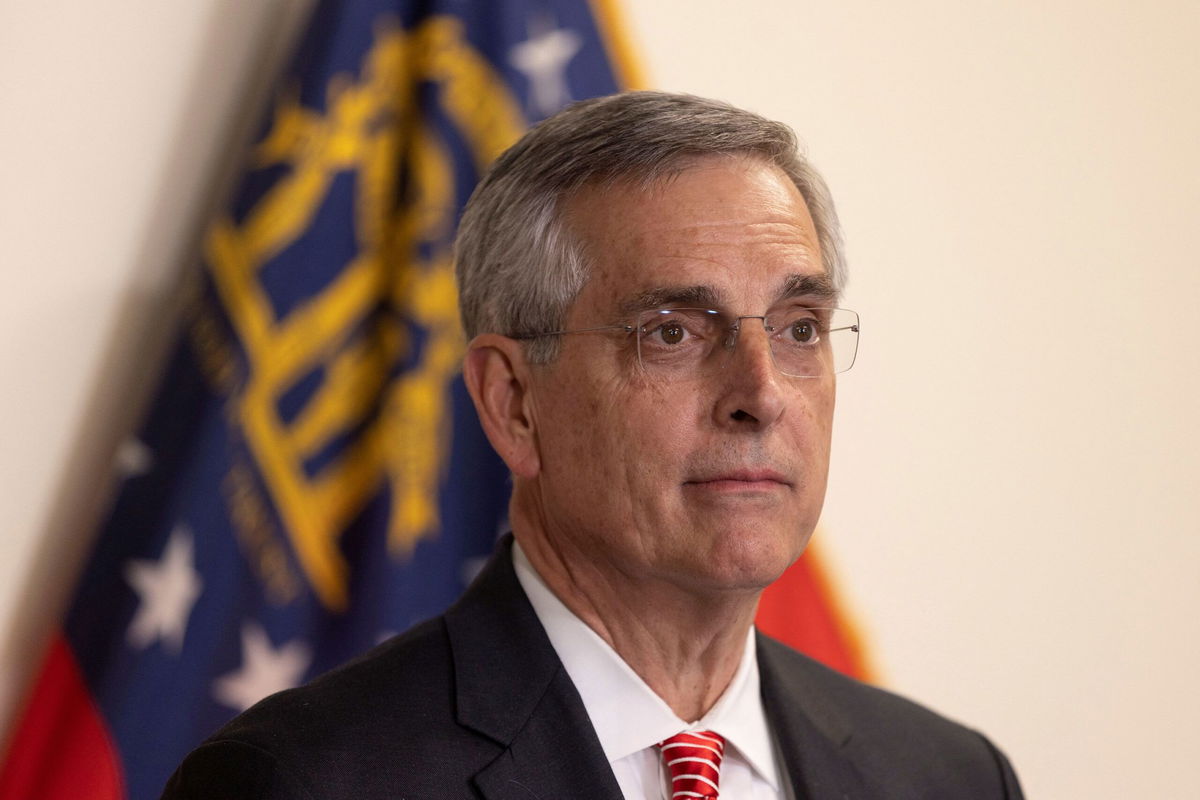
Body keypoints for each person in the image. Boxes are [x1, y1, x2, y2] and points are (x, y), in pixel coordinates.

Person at [161, 91, 1023, 799]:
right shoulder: (302, 784)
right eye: (675, 333)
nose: (761, 394)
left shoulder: (949, 779)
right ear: (514, 404)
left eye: (799, 327)